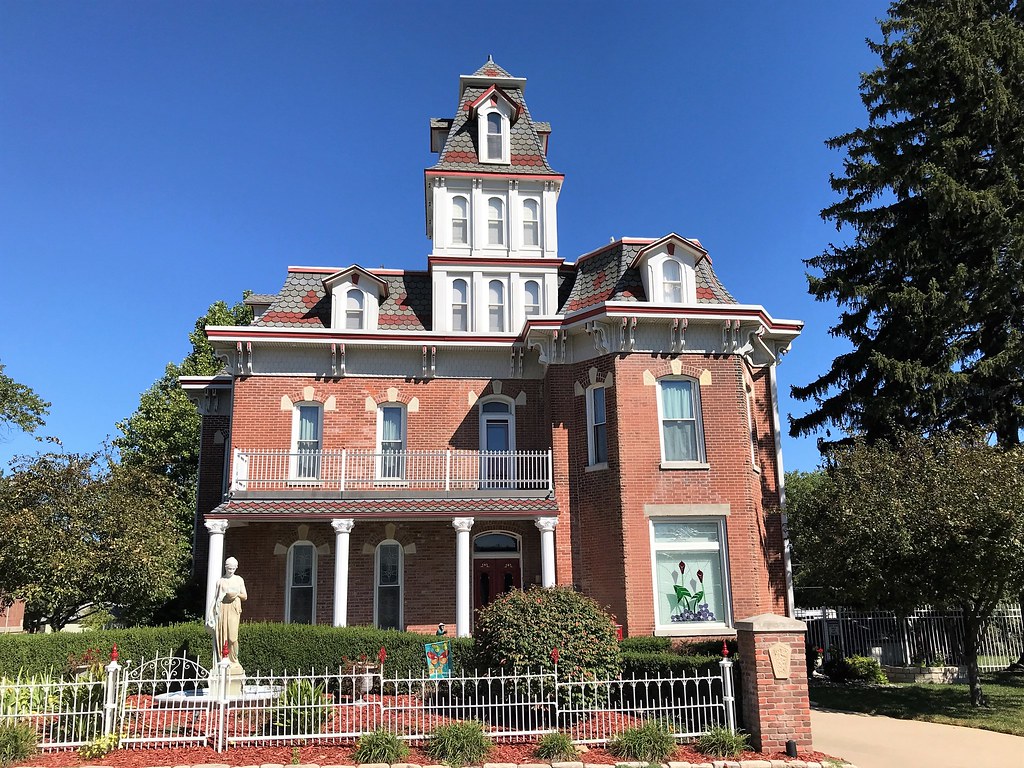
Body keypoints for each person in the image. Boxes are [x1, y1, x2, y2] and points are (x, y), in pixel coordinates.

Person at [207, 557, 247, 664]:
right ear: (225, 567)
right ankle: (224, 659)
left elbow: (245, 596)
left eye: (233, 568)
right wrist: (210, 613)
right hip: (222, 608)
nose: (231, 571)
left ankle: (234, 660)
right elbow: (215, 598)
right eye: (229, 568)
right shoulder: (220, 581)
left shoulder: (239, 580)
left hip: (234, 608)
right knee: (222, 635)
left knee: (232, 637)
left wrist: (236, 594)